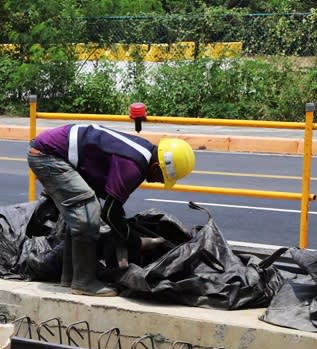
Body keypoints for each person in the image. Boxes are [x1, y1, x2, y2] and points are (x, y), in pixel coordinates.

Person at [27, 123, 195, 297]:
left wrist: (123, 233)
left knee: (82, 211)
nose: (159, 182)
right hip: (47, 155)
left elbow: (111, 205)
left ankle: (69, 277)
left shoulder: (142, 154)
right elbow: (110, 212)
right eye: (162, 178)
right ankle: (84, 282)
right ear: (155, 167)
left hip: (54, 152)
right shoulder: (133, 167)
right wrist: (136, 241)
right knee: (87, 214)